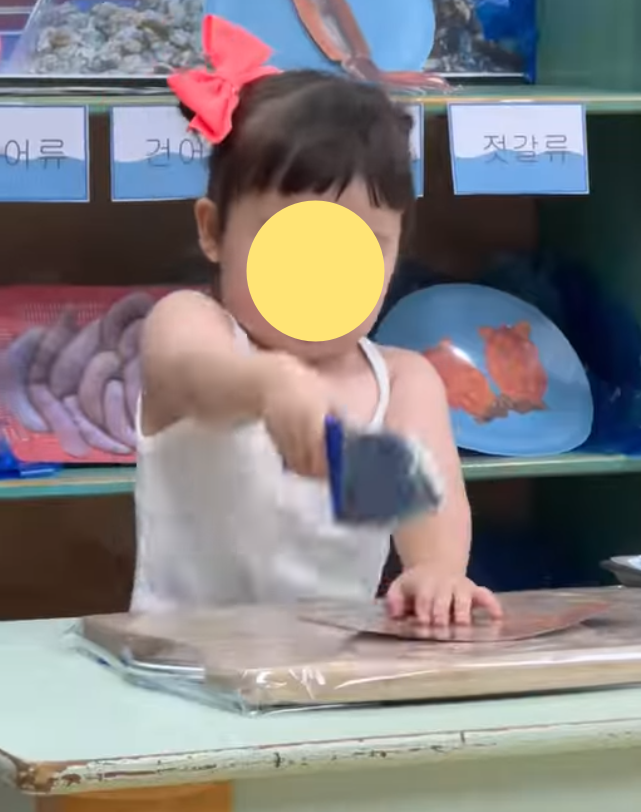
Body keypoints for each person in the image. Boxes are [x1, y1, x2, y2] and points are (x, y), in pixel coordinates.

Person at [133, 15, 502, 626]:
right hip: (180, 661)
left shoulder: (398, 384)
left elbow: (420, 508)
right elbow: (193, 377)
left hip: (333, 666)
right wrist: (266, 386)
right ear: (214, 231)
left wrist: (437, 570)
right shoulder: (196, 325)